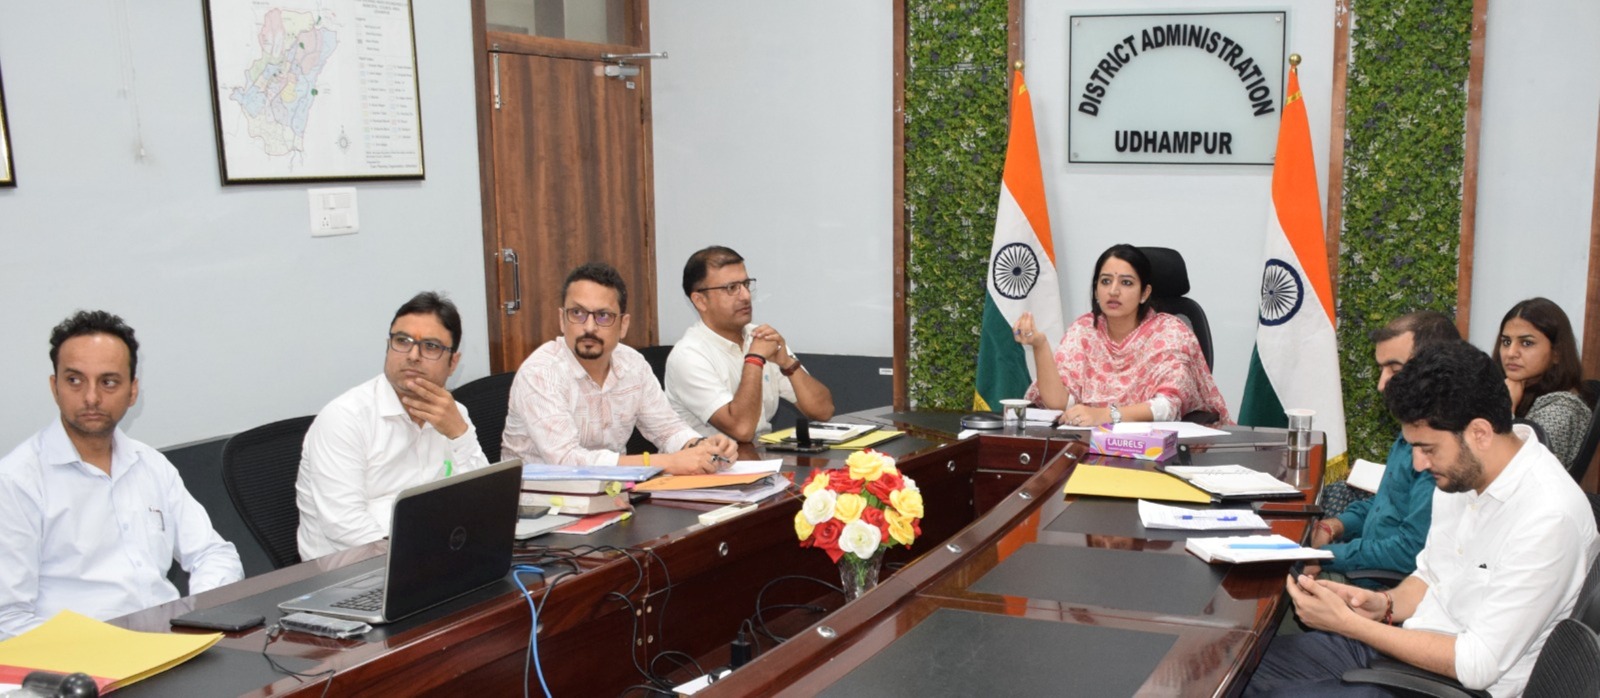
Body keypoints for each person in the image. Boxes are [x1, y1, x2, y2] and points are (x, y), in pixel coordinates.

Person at [1245, 340, 1599, 697]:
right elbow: (1431, 575)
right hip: (1407, 650)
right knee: (1245, 670)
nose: (1418, 464)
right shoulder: (1462, 475)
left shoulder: (1549, 517)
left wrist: (1349, 624)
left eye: (1428, 448)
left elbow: (1476, 665)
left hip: (1452, 686)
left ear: (1479, 433)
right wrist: (1383, 605)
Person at [0, 311, 243, 639]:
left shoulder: (150, 464)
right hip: (78, 658)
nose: (91, 397)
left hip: (168, 644)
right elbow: (8, 619)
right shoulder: (17, 481)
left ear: (132, 391)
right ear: (54, 387)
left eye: (108, 382)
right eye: (75, 380)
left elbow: (214, 554)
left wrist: (198, 618)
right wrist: (102, 653)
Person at [296, 292, 491, 560]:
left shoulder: (454, 415)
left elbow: (483, 503)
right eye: (402, 341)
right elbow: (346, 527)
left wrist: (461, 435)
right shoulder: (344, 419)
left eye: (430, 346)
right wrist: (418, 561)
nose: (413, 355)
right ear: (388, 346)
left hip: (437, 559)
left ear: (453, 363)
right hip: (350, 572)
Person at [502, 262, 737, 472]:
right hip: (540, 500)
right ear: (562, 320)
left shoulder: (633, 364)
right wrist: (668, 462)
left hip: (612, 492)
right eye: (578, 313)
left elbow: (667, 429)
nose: (589, 327)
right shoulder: (541, 372)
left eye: (603, 316)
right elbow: (566, 461)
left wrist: (702, 446)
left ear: (623, 325)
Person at [1305, 311, 1457, 586]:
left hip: (1383, 589)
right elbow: (1386, 505)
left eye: (1394, 371)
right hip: (1361, 568)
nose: (1381, 384)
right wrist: (1336, 525)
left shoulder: (1440, 451)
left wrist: (1324, 556)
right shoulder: (1413, 427)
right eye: (1381, 370)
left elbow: (1409, 552)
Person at [1014, 244, 1229, 426]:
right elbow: (1060, 403)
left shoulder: (1170, 333)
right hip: (1089, 443)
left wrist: (1105, 415)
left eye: (1126, 283)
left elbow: (1167, 406)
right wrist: (1040, 345)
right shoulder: (1083, 330)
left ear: (1144, 293)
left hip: (1153, 446)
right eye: (1106, 281)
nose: (1113, 291)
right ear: (1096, 290)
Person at [665, 246, 834, 442]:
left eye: (745, 284)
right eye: (731, 288)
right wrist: (755, 359)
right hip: (710, 459)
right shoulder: (689, 356)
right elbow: (742, 430)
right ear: (700, 301)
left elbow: (823, 411)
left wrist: (787, 363)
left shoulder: (759, 338)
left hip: (760, 454)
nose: (745, 296)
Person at [1492, 297, 1593, 469]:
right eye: (1506, 342)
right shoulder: (1516, 390)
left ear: (1557, 353)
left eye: (1526, 343)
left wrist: (1505, 408)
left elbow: (1516, 471)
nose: (1511, 353)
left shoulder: (1562, 409)